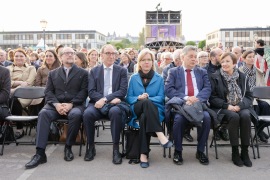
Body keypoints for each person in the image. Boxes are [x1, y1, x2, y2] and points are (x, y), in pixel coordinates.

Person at [25, 47, 88, 168]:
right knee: (43, 114)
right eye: (67, 53)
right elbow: (48, 92)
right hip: (55, 106)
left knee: (76, 115)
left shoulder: (83, 73)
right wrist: (57, 104)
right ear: (60, 57)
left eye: (72, 53)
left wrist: (71, 104)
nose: (70, 55)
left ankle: (68, 147)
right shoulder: (53, 73)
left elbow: (84, 92)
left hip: (74, 105)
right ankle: (40, 153)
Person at [165, 46, 211, 165]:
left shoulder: (202, 72)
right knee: (178, 120)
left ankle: (200, 151)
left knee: (206, 118)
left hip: (198, 104)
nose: (194, 59)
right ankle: (178, 151)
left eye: (195, 57)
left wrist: (197, 98)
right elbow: (169, 90)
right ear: (182, 57)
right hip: (182, 105)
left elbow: (207, 88)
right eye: (190, 56)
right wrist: (186, 98)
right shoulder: (174, 72)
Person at [126, 49, 172, 168]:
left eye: (149, 60)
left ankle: (143, 155)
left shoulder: (159, 78)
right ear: (139, 62)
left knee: (144, 118)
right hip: (137, 107)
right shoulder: (133, 78)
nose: (146, 62)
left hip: (155, 110)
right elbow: (129, 98)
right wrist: (139, 98)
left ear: (153, 62)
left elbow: (161, 98)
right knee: (144, 104)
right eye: (144, 60)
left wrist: (147, 98)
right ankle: (160, 134)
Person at [83, 44, 128, 164]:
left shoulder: (122, 70)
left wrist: (106, 99)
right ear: (101, 55)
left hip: (115, 104)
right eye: (108, 53)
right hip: (97, 103)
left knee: (115, 112)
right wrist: (104, 100)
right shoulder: (94, 71)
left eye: (113, 53)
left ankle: (115, 149)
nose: (111, 56)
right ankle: (91, 147)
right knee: (87, 114)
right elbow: (91, 91)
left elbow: (123, 91)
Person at [209, 52, 255, 167]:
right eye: (223, 61)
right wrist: (227, 106)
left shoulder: (243, 77)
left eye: (227, 61)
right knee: (234, 116)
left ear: (234, 63)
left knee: (245, 116)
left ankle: (245, 152)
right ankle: (235, 152)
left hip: (240, 106)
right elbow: (212, 98)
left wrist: (240, 106)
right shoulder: (215, 77)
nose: (224, 64)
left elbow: (249, 96)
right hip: (223, 108)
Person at [239, 50, 270, 143]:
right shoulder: (239, 72)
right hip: (245, 98)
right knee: (255, 107)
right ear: (244, 59)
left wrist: (259, 94)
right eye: (249, 57)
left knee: (265, 106)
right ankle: (259, 132)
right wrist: (251, 96)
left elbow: (263, 86)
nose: (252, 58)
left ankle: (259, 130)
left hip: (258, 97)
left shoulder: (258, 72)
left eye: (253, 56)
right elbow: (238, 89)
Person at [7, 49, 37, 139]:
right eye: (16, 56)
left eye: (21, 56)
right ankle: (7, 128)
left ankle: (19, 129)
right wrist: (18, 82)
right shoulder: (8, 69)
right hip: (9, 93)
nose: (18, 58)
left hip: (26, 94)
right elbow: (6, 82)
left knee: (12, 99)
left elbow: (29, 82)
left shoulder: (31, 68)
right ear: (13, 58)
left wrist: (13, 90)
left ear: (25, 58)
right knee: (10, 99)